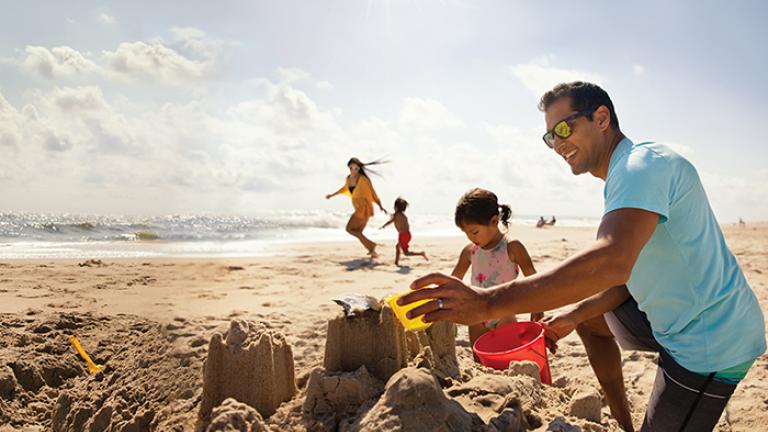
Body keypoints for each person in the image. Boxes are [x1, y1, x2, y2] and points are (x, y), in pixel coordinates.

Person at [399, 82, 766, 432]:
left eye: (564, 127)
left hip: (710, 342)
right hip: (674, 319)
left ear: (601, 118)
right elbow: (625, 278)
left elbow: (611, 261)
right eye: (550, 136)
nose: (558, 143)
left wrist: (488, 302)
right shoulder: (624, 176)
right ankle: (625, 422)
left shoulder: (640, 167)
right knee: (589, 322)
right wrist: (573, 315)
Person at [448, 188, 542, 354]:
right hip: (476, 314)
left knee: (505, 356)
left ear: (494, 220)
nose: (471, 237)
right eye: (466, 233)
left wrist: (537, 308)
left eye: (474, 231)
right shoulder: (470, 251)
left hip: (504, 313)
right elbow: (453, 281)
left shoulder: (512, 247)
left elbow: (533, 279)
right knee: (481, 358)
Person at [326, 158, 387, 257]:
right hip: (358, 207)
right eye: (351, 168)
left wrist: (380, 205)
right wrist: (332, 195)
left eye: (356, 168)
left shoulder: (363, 179)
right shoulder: (348, 178)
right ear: (348, 168)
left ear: (359, 168)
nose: (353, 170)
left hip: (364, 207)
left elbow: (372, 192)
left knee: (349, 229)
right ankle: (372, 250)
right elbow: (344, 188)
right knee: (358, 232)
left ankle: (371, 245)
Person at [380, 197, 428, 266]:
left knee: (406, 253)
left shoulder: (396, 215)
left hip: (403, 235)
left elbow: (390, 220)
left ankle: (421, 253)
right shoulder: (403, 215)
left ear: (396, 207)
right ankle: (396, 262)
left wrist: (384, 226)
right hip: (407, 234)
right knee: (397, 246)